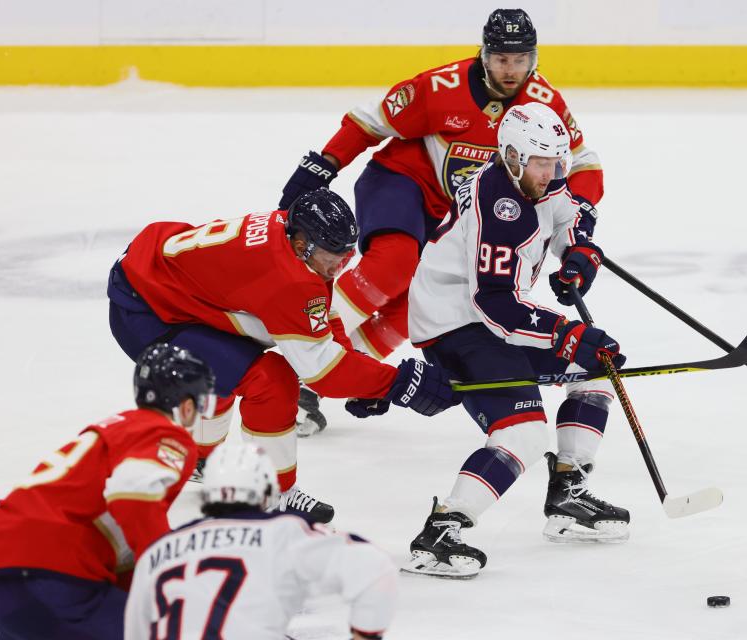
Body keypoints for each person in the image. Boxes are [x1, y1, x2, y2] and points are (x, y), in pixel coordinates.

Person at [278, 8, 603, 434]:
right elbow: (368, 121)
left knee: (415, 306)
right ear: (484, 55)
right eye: (502, 58)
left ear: (534, 59)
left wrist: (578, 222)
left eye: (521, 59)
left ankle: (323, 377)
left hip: (461, 215)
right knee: (393, 266)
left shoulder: (545, 103)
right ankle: (307, 343)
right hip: (402, 184)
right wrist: (322, 165)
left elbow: (584, 162)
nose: (511, 70)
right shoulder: (439, 87)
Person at [107, 188, 462, 524]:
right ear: (303, 243)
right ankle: (272, 495)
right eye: (331, 258)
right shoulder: (290, 277)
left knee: (234, 360)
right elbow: (323, 372)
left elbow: (321, 317)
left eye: (345, 258)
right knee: (269, 379)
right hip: (147, 313)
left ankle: (202, 457)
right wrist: (399, 385)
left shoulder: (296, 241)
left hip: (163, 286)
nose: (338, 267)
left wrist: (368, 379)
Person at [397, 103, 630, 579]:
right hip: (456, 322)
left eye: (556, 162)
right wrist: (565, 333)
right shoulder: (497, 210)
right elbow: (496, 306)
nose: (550, 173)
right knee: (521, 432)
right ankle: (441, 532)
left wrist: (579, 249)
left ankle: (568, 494)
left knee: (595, 371)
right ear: (509, 156)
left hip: (489, 312)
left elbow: (569, 213)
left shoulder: (538, 173)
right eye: (540, 164)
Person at [0, 343, 216, 639]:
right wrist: (167, 567)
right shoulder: (166, 434)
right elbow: (132, 493)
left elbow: (121, 528)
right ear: (186, 405)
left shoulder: (118, 429)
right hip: (53, 569)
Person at [124, 441, 398, 640]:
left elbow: (135, 631)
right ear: (267, 492)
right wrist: (366, 634)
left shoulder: (160, 551)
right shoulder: (283, 532)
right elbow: (375, 567)